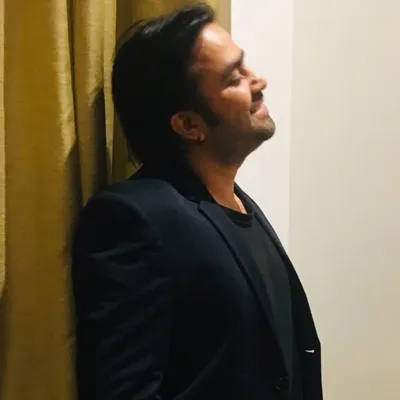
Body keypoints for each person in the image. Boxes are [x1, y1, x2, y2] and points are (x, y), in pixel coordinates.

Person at [71, 3, 323, 400]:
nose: (258, 80)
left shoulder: (242, 206)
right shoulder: (133, 218)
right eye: (234, 78)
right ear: (189, 124)